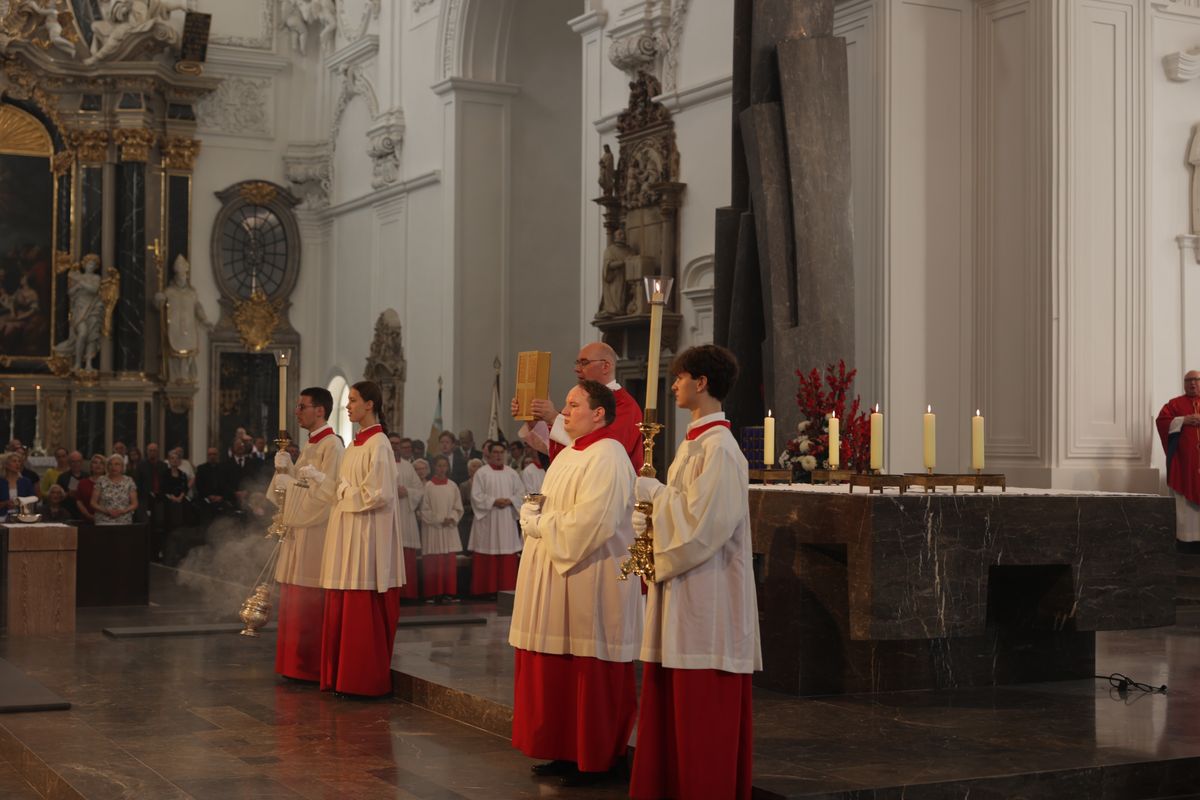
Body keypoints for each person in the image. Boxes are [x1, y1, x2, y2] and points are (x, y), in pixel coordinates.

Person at [628, 345, 761, 800]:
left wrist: (656, 495)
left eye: (680, 377)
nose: (675, 386)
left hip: (709, 598)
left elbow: (705, 526)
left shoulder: (720, 449)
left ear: (701, 382)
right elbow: (682, 512)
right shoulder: (696, 444)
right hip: (684, 590)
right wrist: (649, 514)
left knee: (701, 709)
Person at [509, 381, 642, 786]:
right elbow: (551, 506)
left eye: (572, 405)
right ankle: (566, 750)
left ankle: (598, 756)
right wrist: (535, 513)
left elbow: (594, 522)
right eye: (565, 406)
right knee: (557, 666)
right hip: (556, 576)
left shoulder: (609, 455)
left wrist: (538, 522)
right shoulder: (570, 455)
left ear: (599, 413)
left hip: (590, 576)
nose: (564, 413)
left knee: (588, 668)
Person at [319, 380, 407, 696]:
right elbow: (343, 488)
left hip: (367, 536)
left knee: (362, 600)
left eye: (353, 400)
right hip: (348, 533)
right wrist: (323, 483)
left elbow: (378, 495)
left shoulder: (379, 444)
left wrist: (342, 490)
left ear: (370, 404)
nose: (348, 405)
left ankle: (361, 679)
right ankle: (342, 676)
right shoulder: (356, 444)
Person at [271, 387, 344, 683]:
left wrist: (290, 482)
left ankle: (307, 666)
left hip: (315, 533)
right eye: (297, 406)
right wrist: (285, 471)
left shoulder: (332, 446)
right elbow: (298, 489)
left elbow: (328, 495)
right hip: (300, 531)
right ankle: (292, 664)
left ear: (320, 411)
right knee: (293, 596)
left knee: (308, 599)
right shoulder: (311, 445)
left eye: (302, 406)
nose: (296, 411)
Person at [511, 341, 643, 471]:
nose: (577, 369)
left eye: (584, 363)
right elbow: (554, 444)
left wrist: (552, 417)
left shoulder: (624, 405)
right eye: (577, 363)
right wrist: (533, 415)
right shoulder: (581, 398)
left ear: (606, 366)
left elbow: (601, 448)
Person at [467, 442, 525, 596]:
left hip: (506, 518)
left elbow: (521, 494)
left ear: (505, 454)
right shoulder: (481, 473)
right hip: (489, 519)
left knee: (507, 554)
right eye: (495, 452)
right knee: (488, 550)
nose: (499, 455)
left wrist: (510, 500)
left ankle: (506, 591)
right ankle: (486, 591)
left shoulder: (512, 473)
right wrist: (494, 501)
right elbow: (476, 496)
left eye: (501, 452)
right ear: (489, 454)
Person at [1157, 370, 1200, 550]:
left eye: (1196, 380)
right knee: (1185, 503)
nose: (1192, 383)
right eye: (1189, 380)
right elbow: (1162, 421)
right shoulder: (1175, 404)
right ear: (1184, 383)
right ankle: (1187, 542)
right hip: (1184, 464)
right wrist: (1183, 420)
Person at [418, 455, 464, 603]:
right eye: (439, 465)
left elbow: (458, 507)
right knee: (434, 561)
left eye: (444, 465)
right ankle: (433, 593)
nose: (442, 468)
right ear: (434, 467)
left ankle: (449, 593)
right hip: (433, 530)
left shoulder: (452, 485)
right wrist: (438, 520)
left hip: (449, 528)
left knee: (448, 562)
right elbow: (423, 510)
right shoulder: (428, 486)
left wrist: (452, 517)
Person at [394, 437, 425, 602]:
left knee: (407, 557)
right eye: (391, 443)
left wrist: (407, 492)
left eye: (397, 444)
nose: (394, 446)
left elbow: (419, 489)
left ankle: (408, 594)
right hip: (388, 517)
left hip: (406, 515)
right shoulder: (381, 464)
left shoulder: (408, 467)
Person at [92, 454, 138, 525]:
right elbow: (93, 503)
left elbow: (134, 504)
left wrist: (122, 511)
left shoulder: (129, 481)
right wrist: (107, 511)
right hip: (103, 520)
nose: (113, 467)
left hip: (124, 520)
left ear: (122, 467)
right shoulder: (101, 480)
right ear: (107, 467)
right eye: (111, 464)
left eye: (117, 464)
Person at [194, 447, 229, 517]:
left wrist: (221, 497)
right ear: (207, 456)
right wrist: (209, 496)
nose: (212, 456)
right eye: (210, 454)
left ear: (218, 455)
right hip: (205, 498)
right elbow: (199, 485)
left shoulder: (223, 468)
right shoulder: (201, 468)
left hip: (221, 498)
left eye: (214, 454)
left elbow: (226, 484)